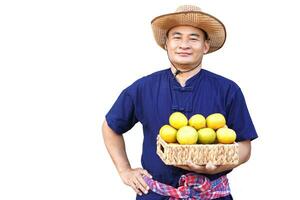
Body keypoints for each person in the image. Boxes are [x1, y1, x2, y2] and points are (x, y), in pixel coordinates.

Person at [102, 5, 258, 200]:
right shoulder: (143, 87)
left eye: (194, 38)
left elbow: (244, 146)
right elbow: (110, 126)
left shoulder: (228, 89)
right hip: (156, 195)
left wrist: (218, 167)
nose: (184, 44)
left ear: (206, 46)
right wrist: (125, 170)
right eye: (177, 37)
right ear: (166, 43)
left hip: (212, 195)